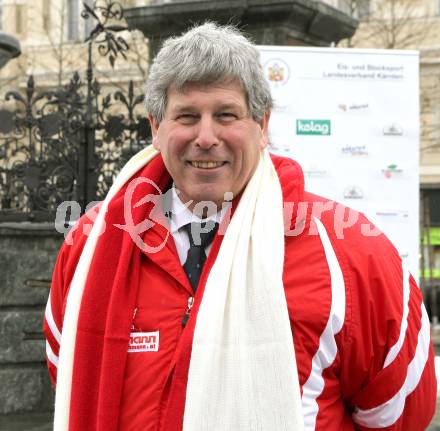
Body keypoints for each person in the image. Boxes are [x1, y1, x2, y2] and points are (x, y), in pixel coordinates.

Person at [44, 23, 436, 431]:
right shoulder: (90, 247)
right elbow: (67, 370)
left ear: (262, 125)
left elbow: (401, 411)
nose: (206, 137)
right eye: (187, 116)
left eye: (226, 115)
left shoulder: (351, 252)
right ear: (156, 128)